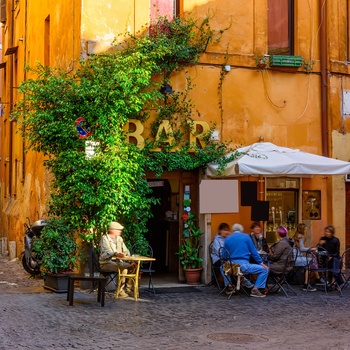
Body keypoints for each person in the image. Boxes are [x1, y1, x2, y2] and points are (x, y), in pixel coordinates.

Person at [224, 223, 269, 298]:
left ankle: (230, 286)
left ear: (233, 230)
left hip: (230, 266)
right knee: (265, 270)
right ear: (241, 230)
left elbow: (223, 254)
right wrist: (261, 263)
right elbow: (254, 252)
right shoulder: (246, 237)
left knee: (222, 268)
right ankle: (255, 289)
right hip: (242, 266)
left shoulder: (227, 238)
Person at [99, 221, 136, 298]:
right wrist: (115, 253)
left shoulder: (119, 239)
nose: (120, 231)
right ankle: (119, 291)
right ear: (112, 230)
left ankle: (128, 289)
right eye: (118, 230)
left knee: (132, 267)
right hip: (106, 263)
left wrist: (131, 260)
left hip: (118, 262)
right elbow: (106, 252)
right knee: (124, 269)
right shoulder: (105, 239)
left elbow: (125, 250)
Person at [292, 223, 319, 291]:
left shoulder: (296, 236)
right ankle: (317, 279)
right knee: (311, 261)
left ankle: (306, 283)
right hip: (297, 258)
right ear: (302, 229)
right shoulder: (301, 236)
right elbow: (302, 249)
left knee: (309, 263)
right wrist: (311, 249)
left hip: (294, 258)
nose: (306, 230)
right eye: (305, 229)